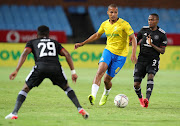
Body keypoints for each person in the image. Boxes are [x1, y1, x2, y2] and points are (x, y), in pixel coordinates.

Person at [5, 25, 89, 119]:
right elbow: (67, 54)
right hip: (55, 68)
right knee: (67, 88)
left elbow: (24, 54)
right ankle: (79, 108)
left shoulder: (32, 42)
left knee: (25, 88)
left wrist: (16, 70)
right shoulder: (55, 42)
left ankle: (14, 113)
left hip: (40, 67)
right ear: (48, 34)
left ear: (37, 34)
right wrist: (73, 72)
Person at [75, 4, 137, 106]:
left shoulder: (124, 24)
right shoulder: (105, 24)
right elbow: (96, 35)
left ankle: (106, 93)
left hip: (121, 56)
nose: (113, 14)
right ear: (107, 12)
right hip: (108, 51)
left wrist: (133, 53)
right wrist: (82, 43)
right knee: (100, 71)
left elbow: (133, 38)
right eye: (111, 12)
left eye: (115, 12)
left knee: (106, 80)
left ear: (117, 13)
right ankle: (93, 96)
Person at [133, 13, 167, 108]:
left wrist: (152, 45)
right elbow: (135, 40)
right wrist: (130, 42)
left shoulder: (162, 34)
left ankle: (147, 99)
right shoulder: (143, 30)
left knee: (150, 76)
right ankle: (141, 99)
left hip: (153, 60)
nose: (150, 21)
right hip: (141, 59)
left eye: (152, 20)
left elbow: (162, 51)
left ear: (157, 21)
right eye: (149, 19)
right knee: (136, 84)